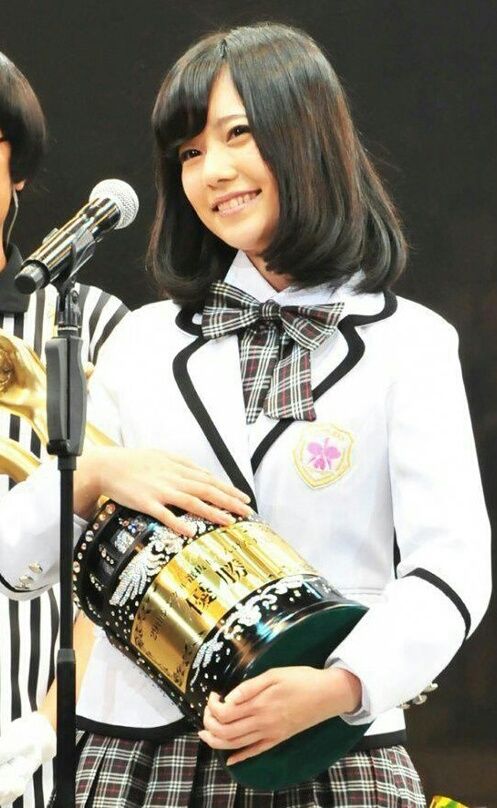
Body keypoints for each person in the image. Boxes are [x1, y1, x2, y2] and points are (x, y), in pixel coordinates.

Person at [0, 22, 491, 807]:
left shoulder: (409, 342)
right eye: (189, 152)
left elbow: (452, 565)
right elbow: (16, 560)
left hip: (334, 745)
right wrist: (90, 476)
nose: (213, 170)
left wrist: (340, 683)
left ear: (308, 135)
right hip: (136, 757)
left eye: (238, 134)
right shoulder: (142, 340)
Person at [0, 51, 128, 807]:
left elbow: (127, 548)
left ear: (16, 167)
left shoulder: (96, 326)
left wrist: (48, 724)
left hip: (50, 737)